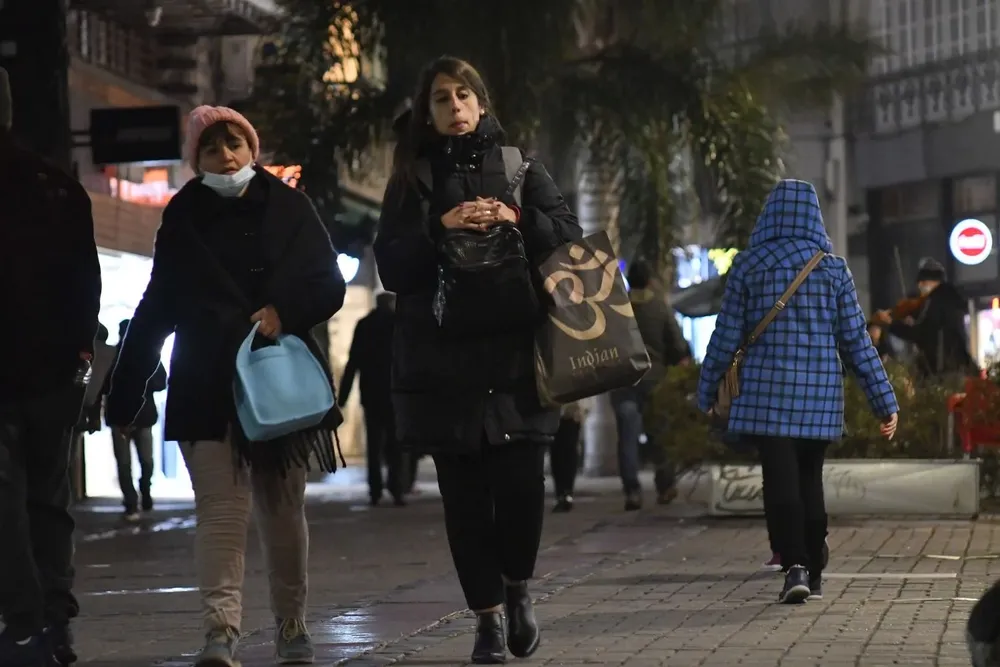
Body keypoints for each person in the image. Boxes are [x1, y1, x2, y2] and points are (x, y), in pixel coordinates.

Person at [105, 105, 346, 667]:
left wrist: (284, 310)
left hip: (277, 380)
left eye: (234, 143)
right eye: (212, 149)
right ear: (197, 159)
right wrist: (127, 391)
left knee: (283, 512)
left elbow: (328, 283)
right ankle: (221, 631)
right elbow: (156, 305)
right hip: (206, 383)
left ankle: (291, 624)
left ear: (251, 147)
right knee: (219, 512)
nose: (226, 156)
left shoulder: (290, 208)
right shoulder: (182, 216)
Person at [374, 56, 581, 664]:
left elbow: (570, 243)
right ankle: (487, 621)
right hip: (443, 371)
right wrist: (442, 225)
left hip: (519, 364)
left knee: (521, 492)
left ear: (482, 103)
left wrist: (514, 217)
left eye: (464, 95)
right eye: (441, 98)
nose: (455, 107)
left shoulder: (521, 169)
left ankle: (518, 589)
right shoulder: (411, 179)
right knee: (464, 503)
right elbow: (393, 269)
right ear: (428, 112)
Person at [697, 179, 898, 605]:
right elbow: (857, 342)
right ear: (814, 216)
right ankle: (816, 560)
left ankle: (796, 566)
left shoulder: (749, 267)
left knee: (780, 481)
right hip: (819, 396)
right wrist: (884, 402)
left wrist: (705, 390)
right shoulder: (832, 268)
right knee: (810, 477)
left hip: (766, 396)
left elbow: (725, 338)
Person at [0, 66, 102, 667]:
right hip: (51, 377)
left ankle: (24, 622)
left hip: (17, 377)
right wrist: (78, 364)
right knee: (46, 499)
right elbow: (83, 289)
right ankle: (52, 624)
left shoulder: (50, 188)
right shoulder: (57, 188)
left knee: (8, 501)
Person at [611, 259, 692, 511]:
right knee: (660, 434)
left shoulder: (616, 308)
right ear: (649, 280)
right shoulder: (659, 308)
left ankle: (632, 492)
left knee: (627, 437)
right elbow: (677, 346)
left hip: (624, 381)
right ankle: (665, 486)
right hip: (655, 381)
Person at [339, 291, 408, 507]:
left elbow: (353, 362)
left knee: (373, 444)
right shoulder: (398, 324)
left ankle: (375, 490)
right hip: (395, 393)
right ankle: (396, 488)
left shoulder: (365, 325)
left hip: (371, 394)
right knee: (396, 445)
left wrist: (342, 396)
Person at [873, 257, 977, 380]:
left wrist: (891, 324)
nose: (920, 286)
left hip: (942, 371)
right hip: (953, 367)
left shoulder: (937, 301)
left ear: (931, 281)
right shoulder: (949, 301)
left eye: (922, 282)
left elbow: (922, 334)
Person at [106, 318, 167, 521]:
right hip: (125, 418)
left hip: (139, 418)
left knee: (142, 462)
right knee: (129, 463)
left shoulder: (147, 355)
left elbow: (161, 382)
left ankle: (141, 493)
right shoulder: (112, 357)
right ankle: (132, 500)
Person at [550, 400, 588, 512]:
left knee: (568, 452)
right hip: (555, 408)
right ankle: (562, 493)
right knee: (557, 453)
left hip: (571, 409)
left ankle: (566, 492)